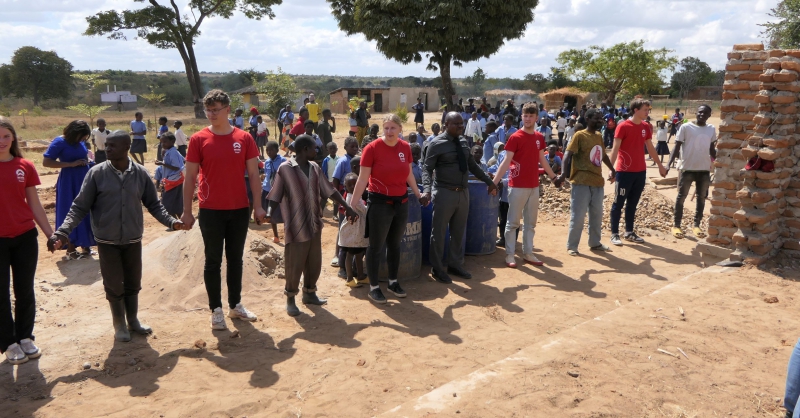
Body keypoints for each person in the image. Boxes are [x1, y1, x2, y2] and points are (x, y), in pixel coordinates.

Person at [49, 130, 188, 342]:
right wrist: (63, 232)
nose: (107, 149)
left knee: (133, 281)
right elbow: (79, 207)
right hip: (107, 240)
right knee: (114, 283)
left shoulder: (140, 173)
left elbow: (154, 205)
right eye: (107, 145)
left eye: (112, 145)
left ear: (126, 148)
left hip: (132, 238)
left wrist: (172, 222)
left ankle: (133, 320)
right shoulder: (96, 173)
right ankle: (119, 324)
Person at [181, 89, 264, 330]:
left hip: (239, 209)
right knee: (213, 261)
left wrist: (258, 206)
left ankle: (235, 305)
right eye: (208, 110)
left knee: (235, 259)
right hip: (210, 210)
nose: (211, 114)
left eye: (215, 110)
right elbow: (190, 178)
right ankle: (215, 309)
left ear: (228, 109)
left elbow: (254, 176)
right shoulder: (198, 139)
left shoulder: (244, 138)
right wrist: (187, 211)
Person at [266, 135, 357, 316]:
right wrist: (269, 213)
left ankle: (310, 293)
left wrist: (347, 206)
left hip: (314, 222)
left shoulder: (315, 168)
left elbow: (329, 190)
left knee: (314, 261)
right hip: (296, 224)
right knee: (295, 263)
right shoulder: (285, 169)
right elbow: (275, 194)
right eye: (314, 148)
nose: (317, 151)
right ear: (304, 149)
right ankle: (291, 298)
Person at [351, 114, 428, 303]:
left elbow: (409, 174)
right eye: (386, 128)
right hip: (379, 204)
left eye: (393, 128)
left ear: (400, 129)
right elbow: (362, 178)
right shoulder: (372, 148)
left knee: (395, 244)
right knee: (376, 246)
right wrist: (352, 203)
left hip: (401, 203)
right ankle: (374, 287)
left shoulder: (405, 148)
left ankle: (393, 282)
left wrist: (418, 195)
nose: (389, 131)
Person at [0, 117, 53, 365]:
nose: (1, 142)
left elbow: (34, 205)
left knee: (25, 290)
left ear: (13, 138)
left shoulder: (25, 166)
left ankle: (25, 338)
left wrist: (50, 234)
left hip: (24, 237)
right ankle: (9, 343)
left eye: (5, 136)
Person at [422, 112, 497, 283]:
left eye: (461, 124)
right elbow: (427, 169)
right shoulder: (436, 144)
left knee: (458, 232)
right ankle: (438, 268)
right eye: (456, 124)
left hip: (463, 193)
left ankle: (455, 264)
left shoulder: (463, 142)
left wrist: (488, 181)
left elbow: (472, 165)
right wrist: (426, 190)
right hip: (444, 193)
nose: (460, 127)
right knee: (439, 233)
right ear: (446, 124)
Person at [491, 103, 561, 268]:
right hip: (517, 186)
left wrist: (553, 177)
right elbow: (505, 162)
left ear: (537, 118)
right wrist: (493, 183)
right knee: (512, 222)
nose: (528, 119)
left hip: (533, 186)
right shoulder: (516, 137)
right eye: (525, 116)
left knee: (531, 223)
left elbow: (542, 160)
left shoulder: (538, 137)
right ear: (521, 117)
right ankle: (510, 254)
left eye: (531, 116)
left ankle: (528, 253)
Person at [554, 108, 616, 256]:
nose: (600, 121)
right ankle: (572, 246)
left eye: (601, 118)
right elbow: (567, 155)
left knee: (596, 215)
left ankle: (595, 243)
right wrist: (563, 173)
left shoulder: (599, 136)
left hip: (597, 181)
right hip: (581, 181)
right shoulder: (579, 136)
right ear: (587, 119)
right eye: (596, 118)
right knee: (578, 215)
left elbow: (602, 155)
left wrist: (612, 169)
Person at [608, 98, 668, 246]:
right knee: (618, 203)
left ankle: (629, 232)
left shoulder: (646, 127)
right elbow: (615, 149)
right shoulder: (623, 126)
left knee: (633, 203)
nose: (648, 112)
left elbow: (650, 147)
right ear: (636, 110)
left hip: (640, 172)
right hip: (624, 172)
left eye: (648, 110)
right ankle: (614, 233)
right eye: (645, 110)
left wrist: (660, 165)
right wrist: (611, 169)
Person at [43, 120, 96, 260]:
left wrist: (87, 162)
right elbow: (46, 162)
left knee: (86, 209)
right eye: (83, 136)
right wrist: (70, 164)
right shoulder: (59, 142)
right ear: (74, 133)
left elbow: (82, 155)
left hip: (83, 178)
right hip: (69, 181)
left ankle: (86, 245)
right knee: (70, 210)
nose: (84, 139)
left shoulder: (80, 142)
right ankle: (71, 249)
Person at [666, 104, 716, 240]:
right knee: (681, 197)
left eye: (705, 113)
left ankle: (696, 225)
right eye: (700, 112)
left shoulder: (711, 129)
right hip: (688, 169)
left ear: (709, 115)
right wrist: (668, 164)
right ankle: (676, 225)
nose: (702, 115)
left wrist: (718, 162)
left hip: (704, 169)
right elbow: (676, 147)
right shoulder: (686, 127)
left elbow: (712, 149)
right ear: (696, 113)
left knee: (701, 198)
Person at [338, 172, 368, 288]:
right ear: (345, 187)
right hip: (351, 233)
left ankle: (360, 275)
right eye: (350, 185)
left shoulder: (357, 197)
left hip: (357, 233)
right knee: (350, 254)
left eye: (355, 185)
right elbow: (364, 209)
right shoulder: (352, 198)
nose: (353, 187)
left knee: (359, 253)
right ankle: (350, 278)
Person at [154, 132, 185, 217]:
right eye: (161, 142)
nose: (162, 144)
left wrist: (163, 164)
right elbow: (183, 160)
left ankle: (174, 222)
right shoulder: (170, 151)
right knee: (177, 202)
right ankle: (181, 221)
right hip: (174, 180)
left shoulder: (173, 152)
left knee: (166, 203)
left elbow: (176, 167)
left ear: (172, 141)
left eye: (165, 142)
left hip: (173, 180)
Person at [261, 141, 286, 244]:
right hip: (267, 190)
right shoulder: (266, 162)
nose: (269, 152)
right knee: (269, 214)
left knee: (284, 213)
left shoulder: (283, 160)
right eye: (267, 150)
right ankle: (276, 236)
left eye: (271, 150)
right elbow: (266, 175)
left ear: (277, 150)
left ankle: (287, 235)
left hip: (279, 191)